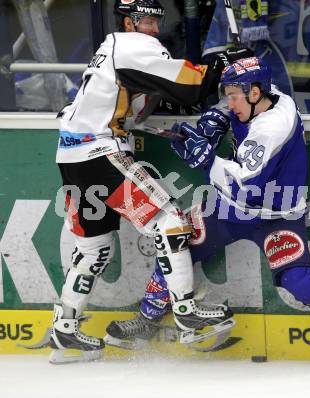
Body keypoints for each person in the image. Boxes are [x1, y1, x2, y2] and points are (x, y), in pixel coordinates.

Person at [106, 56, 310, 371]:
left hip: (276, 215)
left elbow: (244, 183)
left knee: (300, 280)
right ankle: (147, 319)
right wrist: (217, 115)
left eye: (234, 97)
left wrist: (205, 158)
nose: (230, 102)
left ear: (256, 93)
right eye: (228, 96)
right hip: (228, 209)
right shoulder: (264, 97)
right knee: (175, 243)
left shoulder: (272, 127)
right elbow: (232, 108)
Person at [48, 0, 252, 364]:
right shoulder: (130, 45)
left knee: (94, 249)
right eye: (147, 21)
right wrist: (226, 65)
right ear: (129, 22)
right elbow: (190, 85)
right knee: (170, 220)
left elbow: (144, 98)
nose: (155, 29)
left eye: (159, 21)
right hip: (99, 155)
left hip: (72, 158)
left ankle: (65, 329)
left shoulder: (112, 50)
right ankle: (186, 311)